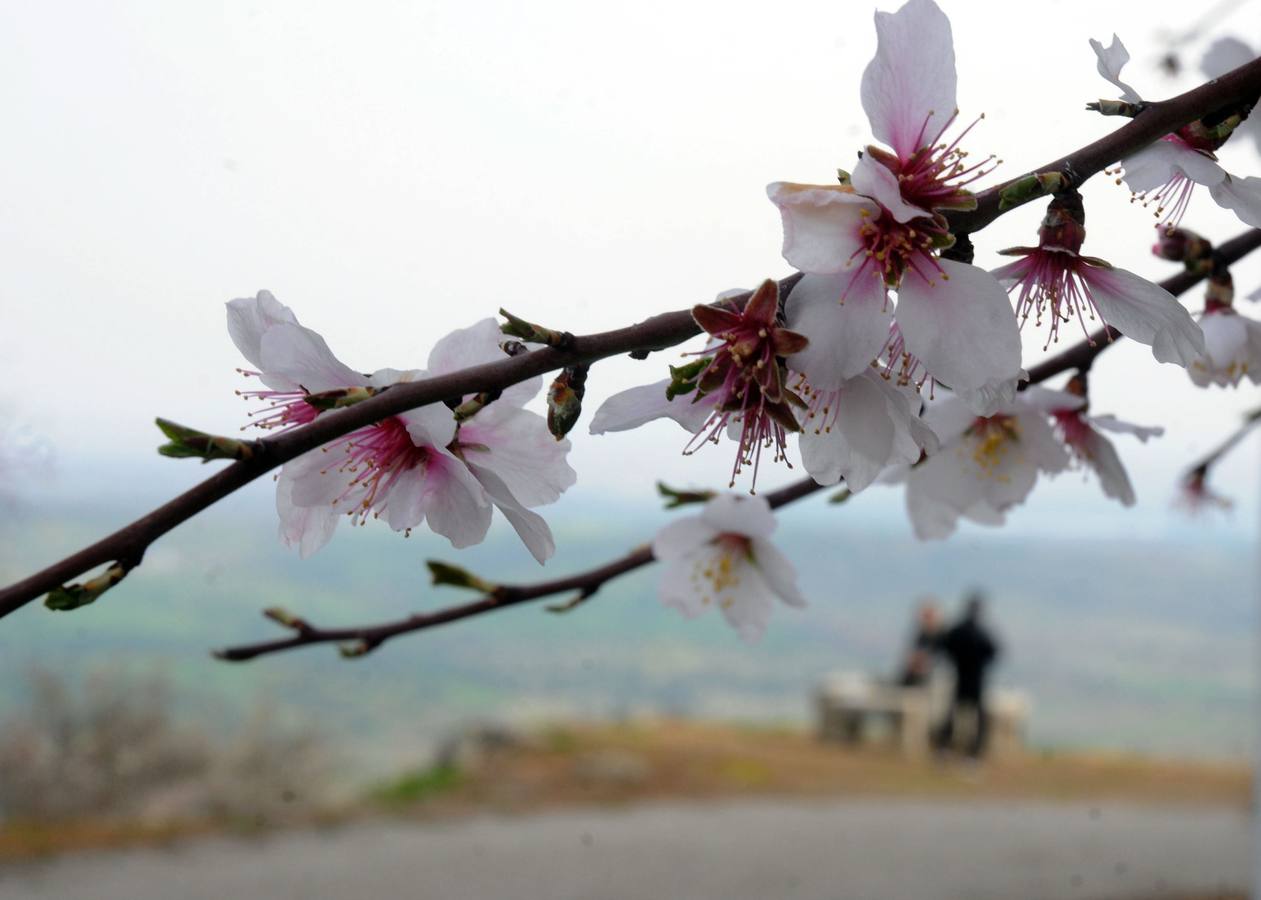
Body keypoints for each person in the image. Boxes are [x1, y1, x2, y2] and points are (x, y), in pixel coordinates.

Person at [934, 592, 1000, 758]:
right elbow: (992, 652)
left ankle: (948, 746)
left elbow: (944, 647)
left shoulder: (960, 630)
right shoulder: (979, 632)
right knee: (971, 716)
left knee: (957, 713)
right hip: (972, 678)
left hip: (964, 676)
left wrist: (957, 661)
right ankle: (971, 750)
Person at [898, 598, 941, 687]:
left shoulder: (941, 636)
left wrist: (923, 661)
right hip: (917, 679)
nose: (923, 620)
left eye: (927, 616)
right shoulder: (921, 635)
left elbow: (937, 658)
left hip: (934, 680)